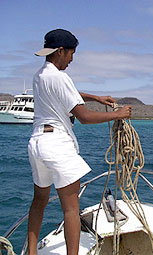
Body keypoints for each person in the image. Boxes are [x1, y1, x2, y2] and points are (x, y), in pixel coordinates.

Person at [27, 28, 131, 255]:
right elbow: (84, 117)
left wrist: (95, 97)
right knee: (71, 209)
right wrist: (118, 114)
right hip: (56, 145)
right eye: (71, 54)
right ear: (60, 51)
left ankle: (32, 252)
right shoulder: (60, 76)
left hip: (37, 144)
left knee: (39, 201)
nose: (72, 60)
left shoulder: (40, 75)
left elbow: (65, 92)